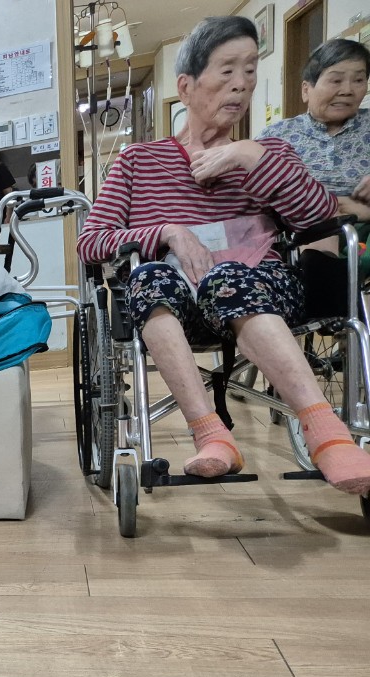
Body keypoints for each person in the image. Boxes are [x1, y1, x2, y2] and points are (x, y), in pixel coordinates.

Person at [77, 16, 370, 496]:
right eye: (227, 70)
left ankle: (328, 433)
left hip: (264, 293)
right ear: (186, 86)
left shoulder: (271, 152)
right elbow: (92, 241)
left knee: (228, 275)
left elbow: (318, 215)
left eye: (250, 70)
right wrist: (167, 231)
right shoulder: (137, 162)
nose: (241, 84)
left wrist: (250, 158)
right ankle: (212, 435)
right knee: (148, 278)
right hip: (180, 303)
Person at [261, 38, 370, 218]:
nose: (347, 90)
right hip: (299, 229)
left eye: (358, 80)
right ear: (306, 90)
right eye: (336, 80)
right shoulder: (276, 135)